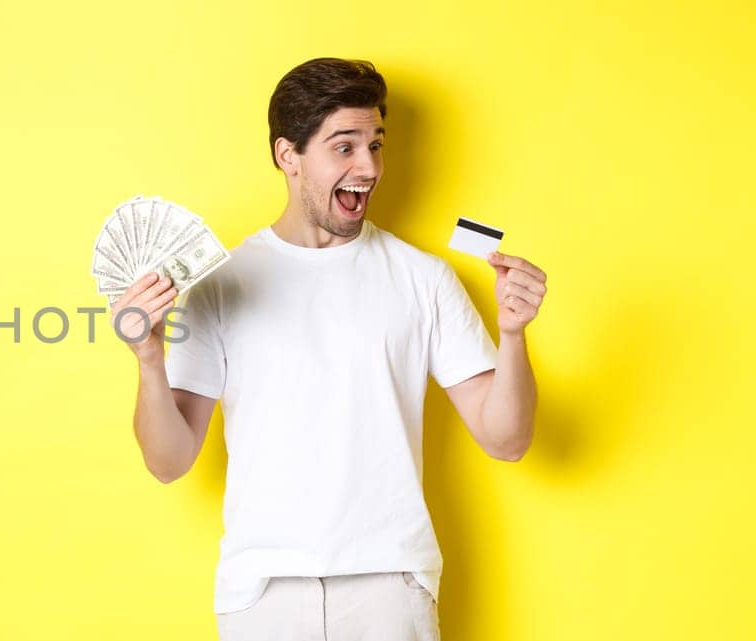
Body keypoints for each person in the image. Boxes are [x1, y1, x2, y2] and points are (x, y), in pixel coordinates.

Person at [111, 58, 548, 641]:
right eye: (344, 147)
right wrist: (148, 359)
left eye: (375, 145)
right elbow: (168, 462)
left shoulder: (424, 278)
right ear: (287, 155)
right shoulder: (222, 283)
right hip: (263, 591)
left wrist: (514, 335)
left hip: (390, 584)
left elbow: (508, 439)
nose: (367, 167)